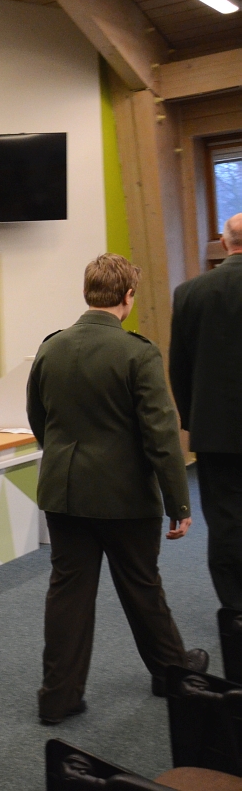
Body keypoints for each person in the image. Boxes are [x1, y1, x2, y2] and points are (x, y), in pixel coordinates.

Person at [28, 253, 208, 723]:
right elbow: (160, 437)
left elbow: (38, 418)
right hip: (125, 497)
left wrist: (64, 457)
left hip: (64, 492)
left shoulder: (51, 348)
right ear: (128, 296)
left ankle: (58, 697)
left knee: (67, 594)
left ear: (87, 292)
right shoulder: (138, 353)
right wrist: (179, 502)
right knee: (141, 586)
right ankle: (172, 674)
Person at [170, 212, 242, 613]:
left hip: (214, 430)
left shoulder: (190, 293)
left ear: (224, 242)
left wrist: (191, 419)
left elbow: (178, 367)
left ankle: (235, 608)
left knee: (226, 520)